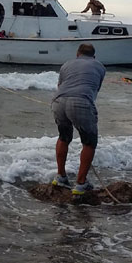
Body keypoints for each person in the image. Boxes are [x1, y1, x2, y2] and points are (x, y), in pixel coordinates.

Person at [50, 43, 106, 196]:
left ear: (78, 54)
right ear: (93, 56)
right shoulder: (100, 66)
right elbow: (95, 89)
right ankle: (81, 183)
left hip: (58, 101)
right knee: (89, 142)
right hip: (81, 101)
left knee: (64, 137)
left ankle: (60, 176)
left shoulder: (67, 64)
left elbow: (60, 85)